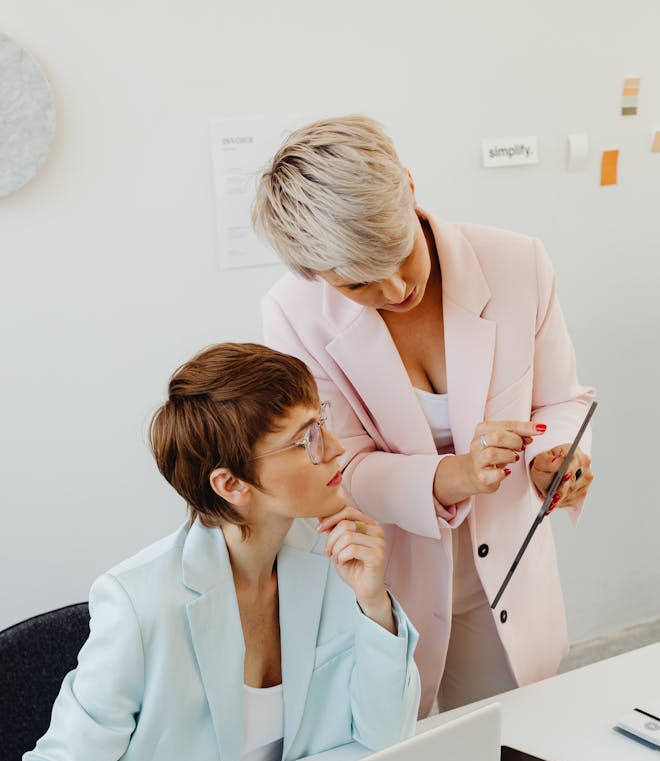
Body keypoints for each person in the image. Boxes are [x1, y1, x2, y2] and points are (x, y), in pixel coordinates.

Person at [10, 343, 419, 761]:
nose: (334, 449)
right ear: (231, 484)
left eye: (322, 423)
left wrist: (373, 603)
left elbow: (386, 740)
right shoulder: (140, 602)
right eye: (305, 438)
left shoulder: (333, 555)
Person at [253, 115, 595, 718]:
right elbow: (344, 466)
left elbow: (563, 400)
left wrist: (553, 459)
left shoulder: (519, 263)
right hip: (391, 574)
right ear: (315, 277)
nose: (394, 289)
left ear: (409, 187)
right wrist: (457, 474)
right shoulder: (294, 314)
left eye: (399, 252)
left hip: (509, 568)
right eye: (359, 284)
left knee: (518, 744)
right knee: (396, 759)